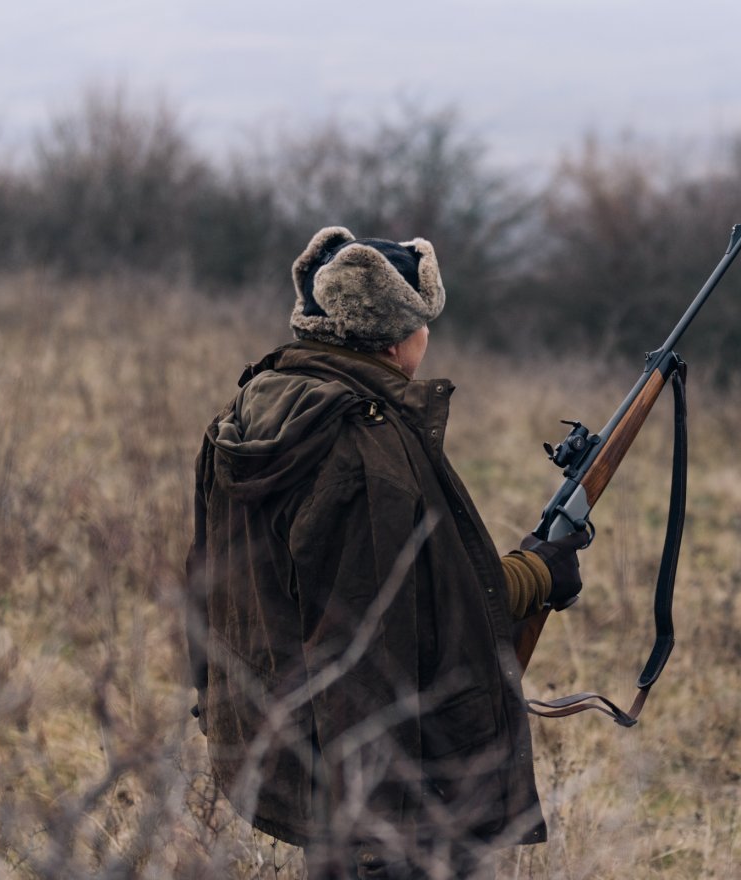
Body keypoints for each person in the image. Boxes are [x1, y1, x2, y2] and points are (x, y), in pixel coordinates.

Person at [185, 226, 586, 879]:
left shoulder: (258, 404)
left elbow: (210, 580)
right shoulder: (366, 446)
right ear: (400, 338)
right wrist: (539, 573)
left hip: (286, 739)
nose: (429, 341)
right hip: (380, 795)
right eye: (426, 325)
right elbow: (403, 618)